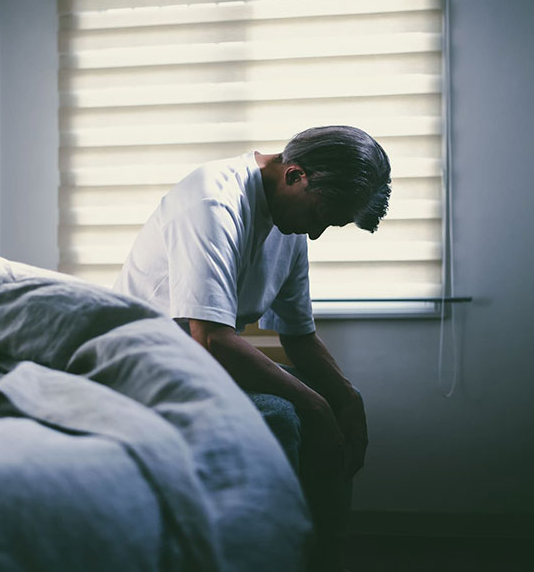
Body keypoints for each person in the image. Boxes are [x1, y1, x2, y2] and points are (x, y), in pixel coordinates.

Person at [113, 125, 392, 571]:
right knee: (281, 413)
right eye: (321, 216)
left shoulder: (291, 220)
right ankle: (265, 556)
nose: (316, 235)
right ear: (295, 175)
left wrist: (344, 398)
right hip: (145, 364)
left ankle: (321, 554)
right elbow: (211, 339)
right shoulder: (212, 201)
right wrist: (316, 407)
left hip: (203, 361)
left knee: (338, 404)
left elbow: (298, 336)